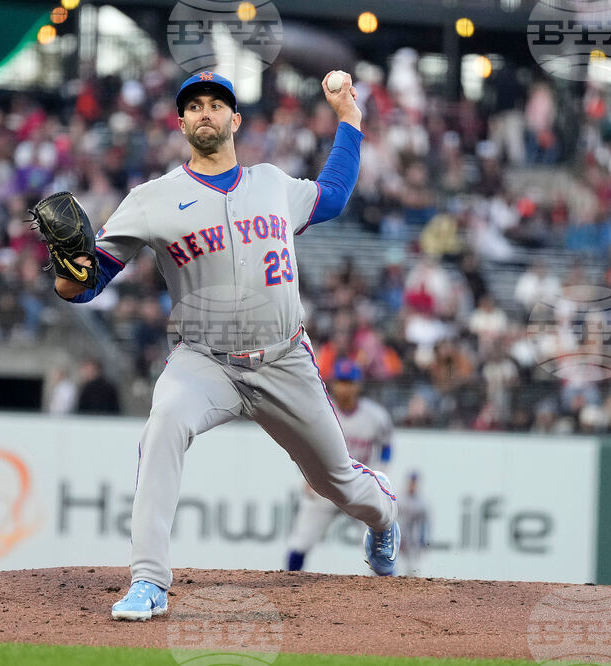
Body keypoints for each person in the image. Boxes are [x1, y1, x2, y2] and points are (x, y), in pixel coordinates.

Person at [51, 71, 399, 621]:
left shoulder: (272, 183)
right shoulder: (151, 200)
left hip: (284, 359)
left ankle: (383, 518)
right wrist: (65, 270)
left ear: (235, 120)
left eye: (217, 105)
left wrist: (349, 119)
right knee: (164, 421)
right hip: (204, 362)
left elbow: (331, 196)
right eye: (195, 106)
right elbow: (85, 283)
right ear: (182, 122)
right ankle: (149, 581)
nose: (206, 112)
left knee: (337, 483)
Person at [286, 359, 393, 572]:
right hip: (323, 488)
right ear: (334, 384)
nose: (346, 387)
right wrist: (304, 477)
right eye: (342, 381)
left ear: (358, 385)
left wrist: (381, 473)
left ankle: (391, 595)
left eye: (350, 382)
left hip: (359, 487)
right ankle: (289, 594)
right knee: (300, 543)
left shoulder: (376, 416)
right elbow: (301, 445)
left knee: (380, 549)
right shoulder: (321, 412)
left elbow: (387, 445)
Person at [395, 471, 430, 577]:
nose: (412, 485)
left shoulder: (422, 502)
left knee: (416, 571)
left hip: (414, 543)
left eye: (414, 483)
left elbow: (425, 524)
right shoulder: (399, 500)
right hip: (400, 541)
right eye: (411, 482)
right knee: (398, 573)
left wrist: (423, 540)